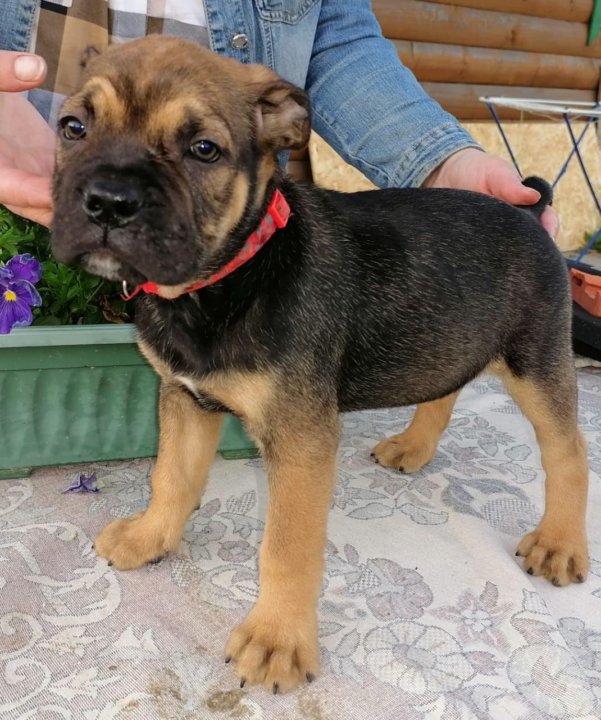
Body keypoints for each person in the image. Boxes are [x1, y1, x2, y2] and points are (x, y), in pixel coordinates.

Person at [0, 0, 557, 236]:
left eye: (202, 147)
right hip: (23, 206)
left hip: (213, 255)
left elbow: (331, 35)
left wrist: (437, 160)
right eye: (80, 126)